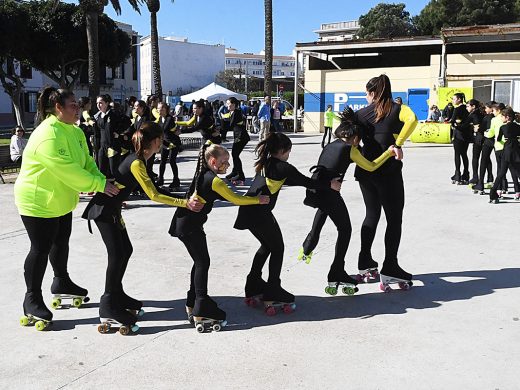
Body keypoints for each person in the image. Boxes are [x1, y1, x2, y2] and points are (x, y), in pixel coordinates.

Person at [15, 86, 119, 330]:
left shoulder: (74, 131)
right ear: (58, 108)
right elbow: (68, 171)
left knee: (61, 242)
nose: (78, 109)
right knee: (40, 249)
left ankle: (61, 282)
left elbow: (86, 162)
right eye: (72, 105)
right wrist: (98, 185)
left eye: (77, 104)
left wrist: (101, 178)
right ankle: (31, 298)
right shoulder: (47, 135)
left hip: (60, 200)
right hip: (37, 201)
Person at [82, 122, 202, 334]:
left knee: (125, 251)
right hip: (103, 212)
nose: (163, 142)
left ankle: (117, 294)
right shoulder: (137, 163)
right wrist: (185, 203)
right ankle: (108, 303)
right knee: (117, 255)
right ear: (156, 141)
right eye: (162, 139)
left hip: (113, 211)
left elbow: (153, 188)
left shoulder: (140, 160)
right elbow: (153, 195)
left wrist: (182, 197)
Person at [234, 133, 340, 312]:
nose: (289, 155)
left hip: (249, 210)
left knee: (267, 246)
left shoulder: (265, 162)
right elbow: (306, 182)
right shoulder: (283, 167)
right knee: (277, 248)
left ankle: (253, 284)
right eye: (288, 151)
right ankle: (273, 290)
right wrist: (330, 185)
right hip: (259, 212)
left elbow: (292, 180)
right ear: (282, 151)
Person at [169, 142, 269, 331]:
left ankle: (193, 300)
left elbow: (226, 195)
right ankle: (201, 306)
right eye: (224, 162)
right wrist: (258, 199)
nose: (227, 166)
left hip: (188, 223)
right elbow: (235, 199)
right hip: (189, 226)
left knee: (199, 261)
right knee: (202, 262)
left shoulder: (205, 173)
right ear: (213, 161)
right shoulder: (213, 180)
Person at [299, 107, 397, 289]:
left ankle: (308, 245)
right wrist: (388, 153)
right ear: (356, 138)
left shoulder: (330, 145)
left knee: (323, 214)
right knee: (345, 230)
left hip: (318, 191)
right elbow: (371, 166)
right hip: (330, 193)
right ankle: (337, 272)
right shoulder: (349, 149)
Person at [353, 74, 418, 290]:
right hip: (388, 171)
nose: (366, 96)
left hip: (365, 170)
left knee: (371, 214)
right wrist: (398, 143)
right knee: (394, 219)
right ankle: (390, 266)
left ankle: (365, 261)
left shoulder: (360, 114)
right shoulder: (398, 109)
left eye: (366, 93)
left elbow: (347, 138)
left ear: (372, 93)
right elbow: (413, 120)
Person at [489, 107, 520, 202]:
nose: (501, 118)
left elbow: (498, 139)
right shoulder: (518, 126)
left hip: (506, 151)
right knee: (517, 172)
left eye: (502, 116)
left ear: (507, 117)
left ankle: (493, 193)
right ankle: (517, 191)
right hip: (516, 151)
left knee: (501, 173)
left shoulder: (503, 127)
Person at [221, 97, 250, 184]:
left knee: (235, 155)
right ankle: (235, 172)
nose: (227, 106)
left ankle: (241, 175)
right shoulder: (232, 112)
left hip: (241, 137)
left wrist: (221, 129)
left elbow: (230, 124)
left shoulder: (237, 112)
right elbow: (227, 118)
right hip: (238, 136)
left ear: (233, 104)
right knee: (235, 154)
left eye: (228, 104)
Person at [471, 101, 497, 194]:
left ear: (491, 108)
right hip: (498, 143)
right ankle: (502, 185)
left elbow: (481, 129)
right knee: (502, 164)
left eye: (487, 108)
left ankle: (480, 183)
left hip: (488, 141)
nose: (485, 110)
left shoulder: (488, 117)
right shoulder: (499, 118)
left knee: (483, 161)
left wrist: (477, 128)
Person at [156, 102, 182, 189]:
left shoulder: (169, 119)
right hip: (165, 143)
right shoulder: (160, 118)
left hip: (173, 143)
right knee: (162, 161)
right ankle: (160, 179)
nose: (159, 111)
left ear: (166, 110)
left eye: (161, 109)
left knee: (172, 161)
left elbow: (163, 129)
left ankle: (176, 181)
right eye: (158, 109)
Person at [450, 93, 472, 185]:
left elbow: (452, 121)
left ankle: (457, 175)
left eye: (454, 99)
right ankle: (466, 175)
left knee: (457, 155)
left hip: (459, 134)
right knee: (464, 154)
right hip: (466, 134)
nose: (453, 100)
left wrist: (454, 124)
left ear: (459, 99)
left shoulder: (457, 109)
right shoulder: (467, 109)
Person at [464, 99, 484, 185]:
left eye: (468, 106)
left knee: (475, 158)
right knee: (486, 159)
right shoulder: (482, 113)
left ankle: (475, 177)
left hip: (478, 137)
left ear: (473, 106)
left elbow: (464, 125)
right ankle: (490, 177)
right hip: (485, 137)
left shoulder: (473, 114)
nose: (466, 108)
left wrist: (455, 125)